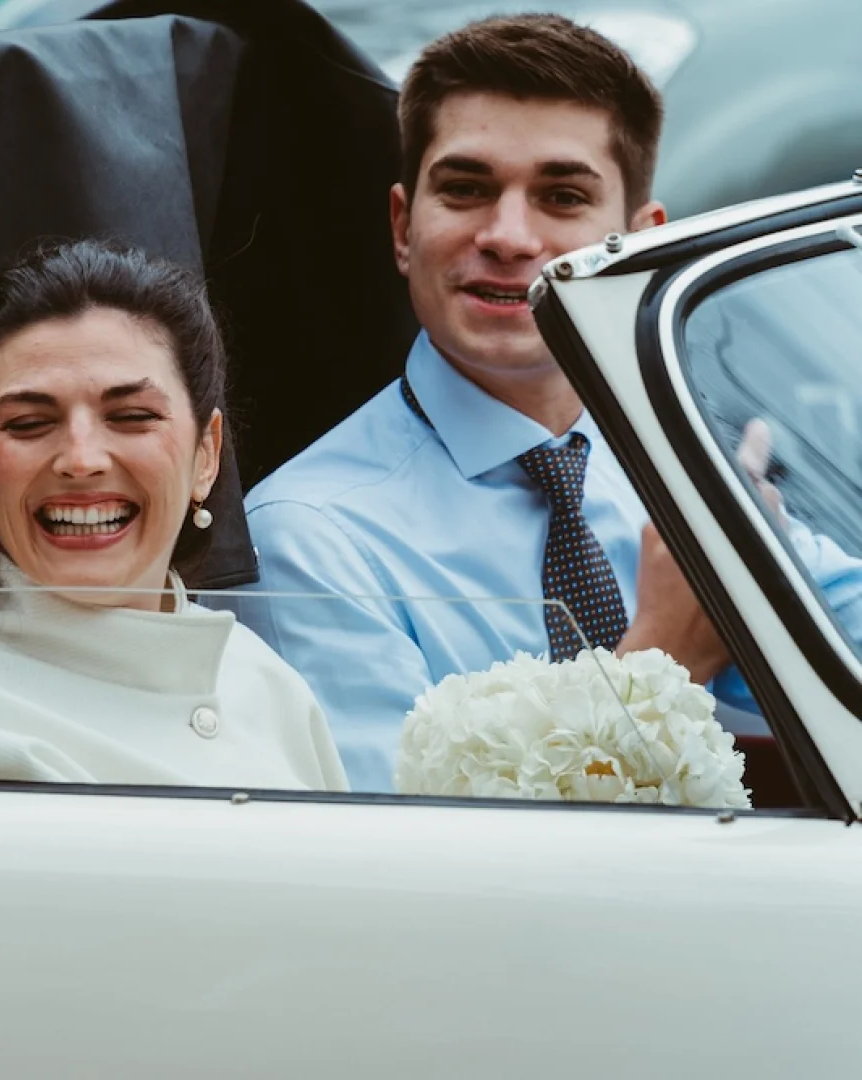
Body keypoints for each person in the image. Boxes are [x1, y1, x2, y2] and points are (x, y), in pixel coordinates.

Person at [233, 14, 862, 792]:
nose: (505, 235)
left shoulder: (694, 458)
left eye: (560, 196)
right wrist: (664, 658)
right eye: (465, 189)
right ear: (402, 227)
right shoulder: (307, 537)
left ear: (635, 242)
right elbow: (398, 866)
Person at [0, 239, 348, 790]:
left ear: (207, 455)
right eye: (29, 424)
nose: (80, 460)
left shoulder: (268, 686)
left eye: (130, 416)